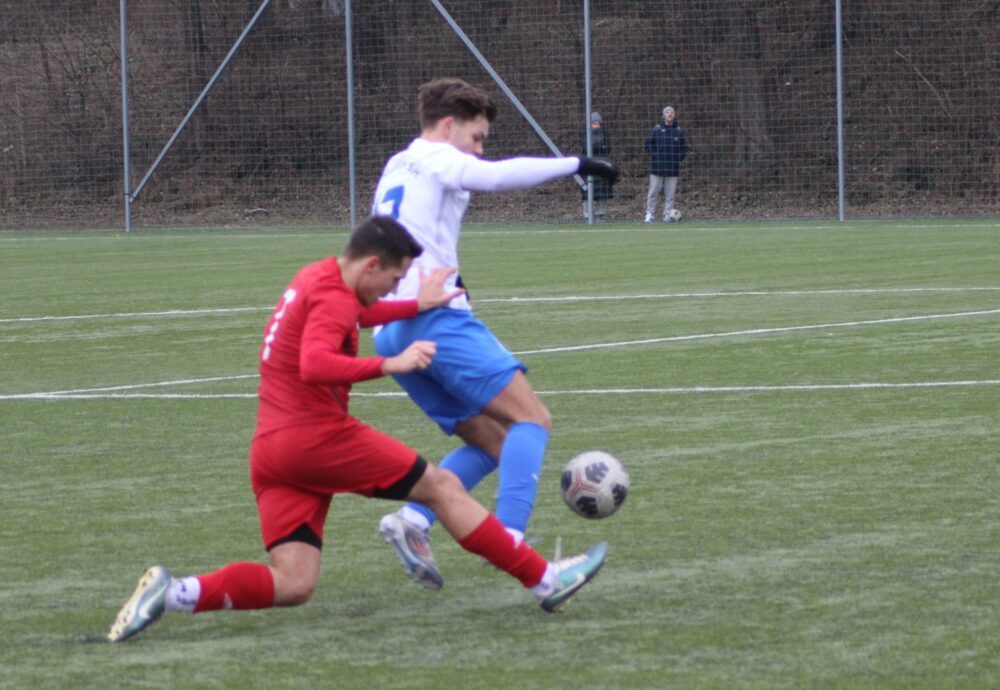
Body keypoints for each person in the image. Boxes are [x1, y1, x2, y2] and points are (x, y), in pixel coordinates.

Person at [106, 216, 608, 643]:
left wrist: (414, 306)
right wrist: (390, 363)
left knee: (295, 582)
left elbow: (358, 314)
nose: (392, 289)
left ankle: (172, 593)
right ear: (371, 264)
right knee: (441, 487)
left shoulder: (318, 277)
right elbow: (314, 364)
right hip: (316, 438)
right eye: (394, 280)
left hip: (272, 453)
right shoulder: (333, 299)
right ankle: (544, 580)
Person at [370, 78, 618, 589]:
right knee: (532, 418)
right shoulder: (439, 157)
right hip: (433, 319)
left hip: (391, 328)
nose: (481, 150)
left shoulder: (398, 164)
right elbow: (499, 177)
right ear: (447, 126)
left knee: (495, 442)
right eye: (477, 137)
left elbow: (419, 240)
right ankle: (511, 543)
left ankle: (413, 520)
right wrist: (576, 164)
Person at [643, 105, 689, 223]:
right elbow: (647, 145)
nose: (670, 114)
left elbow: (685, 148)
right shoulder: (656, 130)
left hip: (672, 168)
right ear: (664, 115)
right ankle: (650, 214)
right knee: (653, 193)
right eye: (667, 112)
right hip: (657, 168)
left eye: (672, 112)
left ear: (674, 115)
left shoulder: (678, 131)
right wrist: (655, 156)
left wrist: (678, 158)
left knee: (670, 195)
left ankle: (668, 214)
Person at [581, 111, 613, 222]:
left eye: (598, 123)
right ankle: (587, 216)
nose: (596, 125)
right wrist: (600, 146)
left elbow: (607, 148)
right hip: (589, 166)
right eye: (594, 123)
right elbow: (586, 147)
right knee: (587, 191)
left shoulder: (605, 133)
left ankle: (600, 214)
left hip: (602, 165)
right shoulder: (585, 133)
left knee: (602, 192)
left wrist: (599, 147)